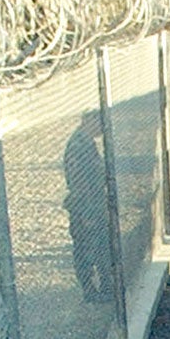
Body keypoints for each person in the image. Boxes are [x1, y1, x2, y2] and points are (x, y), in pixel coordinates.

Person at [61, 116, 113, 300]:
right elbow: (79, 182)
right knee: (86, 249)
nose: (102, 129)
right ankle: (90, 290)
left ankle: (105, 287)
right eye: (100, 124)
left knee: (101, 246)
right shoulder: (78, 145)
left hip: (94, 204)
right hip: (85, 206)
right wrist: (87, 211)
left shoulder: (87, 143)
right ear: (89, 122)